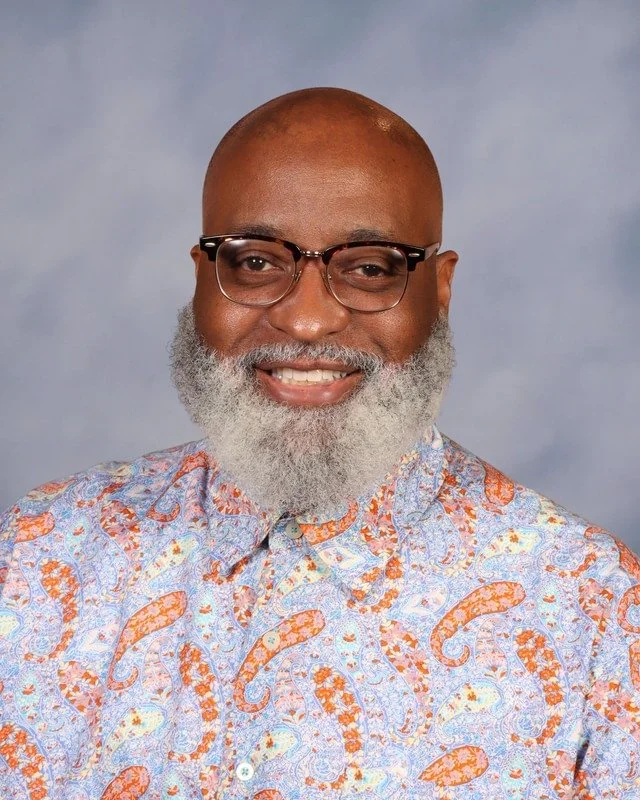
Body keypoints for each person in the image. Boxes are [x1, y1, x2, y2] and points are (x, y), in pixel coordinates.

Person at [0, 87, 638, 800]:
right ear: (202, 278)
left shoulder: (591, 608)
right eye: (255, 263)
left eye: (369, 268)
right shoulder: (38, 555)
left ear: (441, 289)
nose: (306, 321)